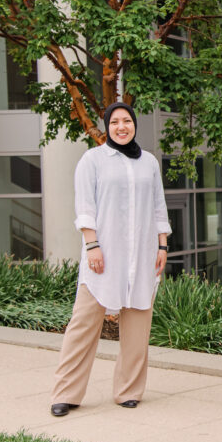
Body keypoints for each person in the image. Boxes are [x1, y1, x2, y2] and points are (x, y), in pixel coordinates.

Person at [50, 102, 170, 417]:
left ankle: (129, 391)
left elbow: (159, 205)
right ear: (107, 126)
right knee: (84, 322)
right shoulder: (93, 160)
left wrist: (162, 245)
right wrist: (92, 245)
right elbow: (85, 206)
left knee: (138, 325)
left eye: (127, 120)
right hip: (103, 253)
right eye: (115, 121)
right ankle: (66, 393)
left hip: (142, 255)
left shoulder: (149, 163)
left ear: (134, 125)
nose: (121, 126)